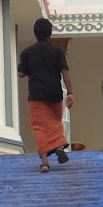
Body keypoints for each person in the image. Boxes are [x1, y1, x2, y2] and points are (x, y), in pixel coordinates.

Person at [17, 17, 74, 173]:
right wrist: (70, 93)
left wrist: (28, 67)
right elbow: (65, 73)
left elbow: (21, 73)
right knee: (55, 122)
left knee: (39, 127)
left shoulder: (27, 53)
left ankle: (44, 162)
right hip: (55, 94)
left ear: (35, 33)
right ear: (50, 33)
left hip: (36, 94)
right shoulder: (57, 52)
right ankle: (58, 146)